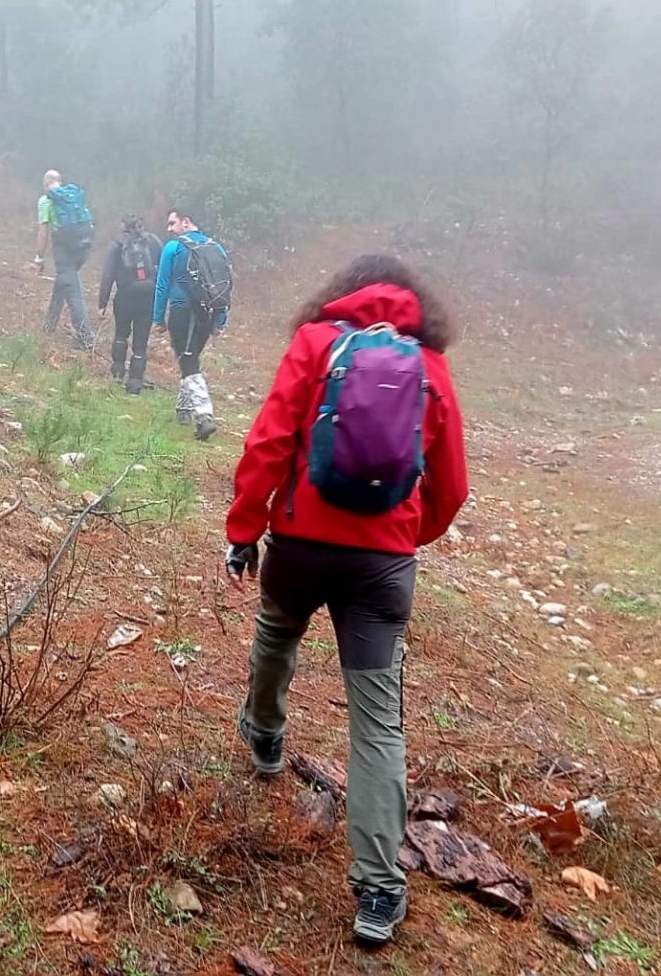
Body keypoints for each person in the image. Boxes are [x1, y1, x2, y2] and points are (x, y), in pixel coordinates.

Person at [223, 254, 469, 947]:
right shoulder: (429, 365)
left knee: (276, 634)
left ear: (343, 293)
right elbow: (450, 486)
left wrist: (244, 531)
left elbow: (268, 441)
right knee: (378, 723)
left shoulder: (314, 343)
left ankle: (265, 731)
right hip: (382, 565)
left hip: (299, 544)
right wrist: (400, 535)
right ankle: (380, 888)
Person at [153, 211, 232, 440]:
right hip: (206, 315)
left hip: (181, 312)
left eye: (172, 223)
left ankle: (204, 416)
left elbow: (162, 285)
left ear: (187, 221)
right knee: (190, 359)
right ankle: (183, 409)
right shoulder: (217, 249)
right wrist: (220, 321)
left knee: (188, 362)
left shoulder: (173, 248)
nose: (169, 228)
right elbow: (225, 287)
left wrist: (158, 318)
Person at [98, 216, 163, 393]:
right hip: (149, 296)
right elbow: (163, 268)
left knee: (121, 334)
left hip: (125, 295)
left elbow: (107, 276)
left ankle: (118, 372)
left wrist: (102, 302)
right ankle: (135, 381)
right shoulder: (153, 241)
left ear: (123, 227)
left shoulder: (117, 244)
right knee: (141, 341)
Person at [34, 170, 94, 348]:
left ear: (46, 184)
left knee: (72, 289)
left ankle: (86, 337)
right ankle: (49, 324)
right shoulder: (73, 195)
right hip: (83, 245)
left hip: (64, 247)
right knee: (65, 280)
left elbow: (43, 232)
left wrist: (39, 257)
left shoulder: (46, 200)